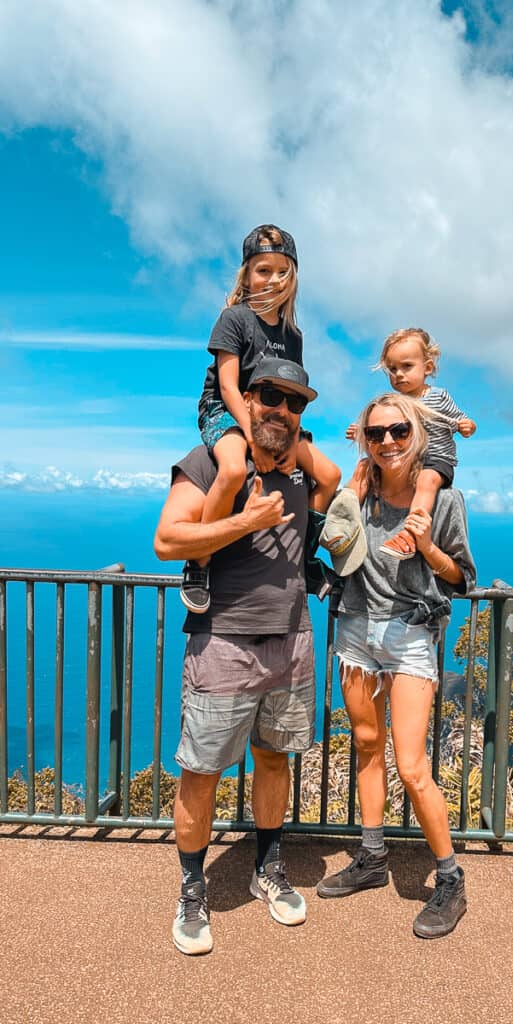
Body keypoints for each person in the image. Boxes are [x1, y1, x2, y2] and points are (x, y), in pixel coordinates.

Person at [154, 357, 338, 956]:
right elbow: (167, 540)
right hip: (223, 644)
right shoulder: (208, 462)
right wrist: (244, 520)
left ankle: (267, 866)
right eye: (270, 396)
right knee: (201, 773)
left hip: (291, 641)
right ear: (246, 398)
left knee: (275, 761)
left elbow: (334, 481)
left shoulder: (299, 472)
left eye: (295, 402)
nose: (280, 409)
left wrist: (308, 458)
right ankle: (191, 888)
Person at [317, 392, 476, 939]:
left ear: (418, 434)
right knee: (365, 743)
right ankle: (372, 855)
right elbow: (333, 545)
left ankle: (450, 879)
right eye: (377, 432)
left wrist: (427, 546)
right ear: (364, 436)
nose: (387, 441)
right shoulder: (358, 493)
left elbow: (461, 576)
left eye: (398, 432)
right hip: (355, 630)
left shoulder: (444, 502)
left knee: (411, 765)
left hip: (410, 635)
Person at [181, 223, 340, 613]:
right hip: (225, 410)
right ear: (247, 274)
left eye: (282, 271)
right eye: (263, 270)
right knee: (234, 469)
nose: (272, 279)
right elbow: (229, 386)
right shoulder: (234, 319)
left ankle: (304, 557)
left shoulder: (293, 335)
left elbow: (294, 394)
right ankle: (199, 565)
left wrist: (292, 441)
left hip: (275, 417)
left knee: (330, 475)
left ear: (293, 278)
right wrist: (253, 439)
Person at [345, 327, 476, 559]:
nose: (399, 374)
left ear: (427, 367)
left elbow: (459, 419)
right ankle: (345, 518)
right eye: (392, 369)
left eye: (407, 366)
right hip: (407, 461)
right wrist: (361, 431)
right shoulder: (395, 403)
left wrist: (467, 426)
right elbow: (385, 429)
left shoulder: (438, 397)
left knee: (426, 482)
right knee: (365, 466)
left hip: (436, 460)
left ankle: (410, 534)